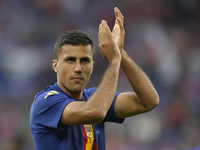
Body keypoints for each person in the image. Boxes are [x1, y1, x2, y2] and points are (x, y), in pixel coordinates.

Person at [30, 7, 159, 150]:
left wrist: (121, 53)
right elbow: (95, 112)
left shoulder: (94, 97)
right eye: (70, 60)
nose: (78, 68)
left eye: (84, 61)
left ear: (92, 66)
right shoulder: (46, 101)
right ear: (55, 66)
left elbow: (149, 101)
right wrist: (114, 61)